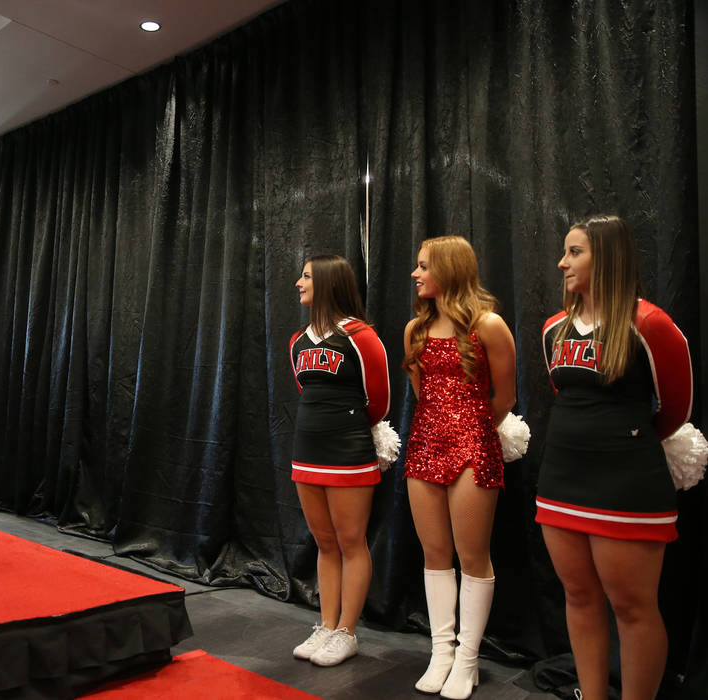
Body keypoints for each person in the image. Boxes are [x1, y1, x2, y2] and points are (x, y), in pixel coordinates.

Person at [537, 215, 692, 700]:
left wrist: (623, 444)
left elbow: (676, 409)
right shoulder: (553, 329)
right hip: (562, 479)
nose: (562, 262)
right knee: (579, 597)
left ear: (607, 257)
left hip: (626, 483)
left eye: (575, 252)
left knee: (632, 607)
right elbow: (561, 392)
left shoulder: (650, 324)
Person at [403, 236, 516, 699]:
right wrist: (438, 430)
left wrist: (471, 431)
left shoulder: (489, 326)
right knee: (434, 554)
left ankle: (467, 659)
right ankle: (441, 652)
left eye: (423, 265)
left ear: (449, 269)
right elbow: (419, 392)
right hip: (425, 442)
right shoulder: (415, 330)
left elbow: (505, 397)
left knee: (472, 556)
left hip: (473, 442)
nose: (415, 273)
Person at [288, 255, 390, 667]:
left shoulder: (361, 337)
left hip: (348, 455)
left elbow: (378, 401)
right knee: (325, 543)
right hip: (306, 452)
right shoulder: (298, 340)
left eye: (307, 276)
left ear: (329, 283)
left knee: (351, 543)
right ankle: (326, 625)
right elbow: (304, 389)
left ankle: (348, 631)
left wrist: (345, 432)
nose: (299, 282)